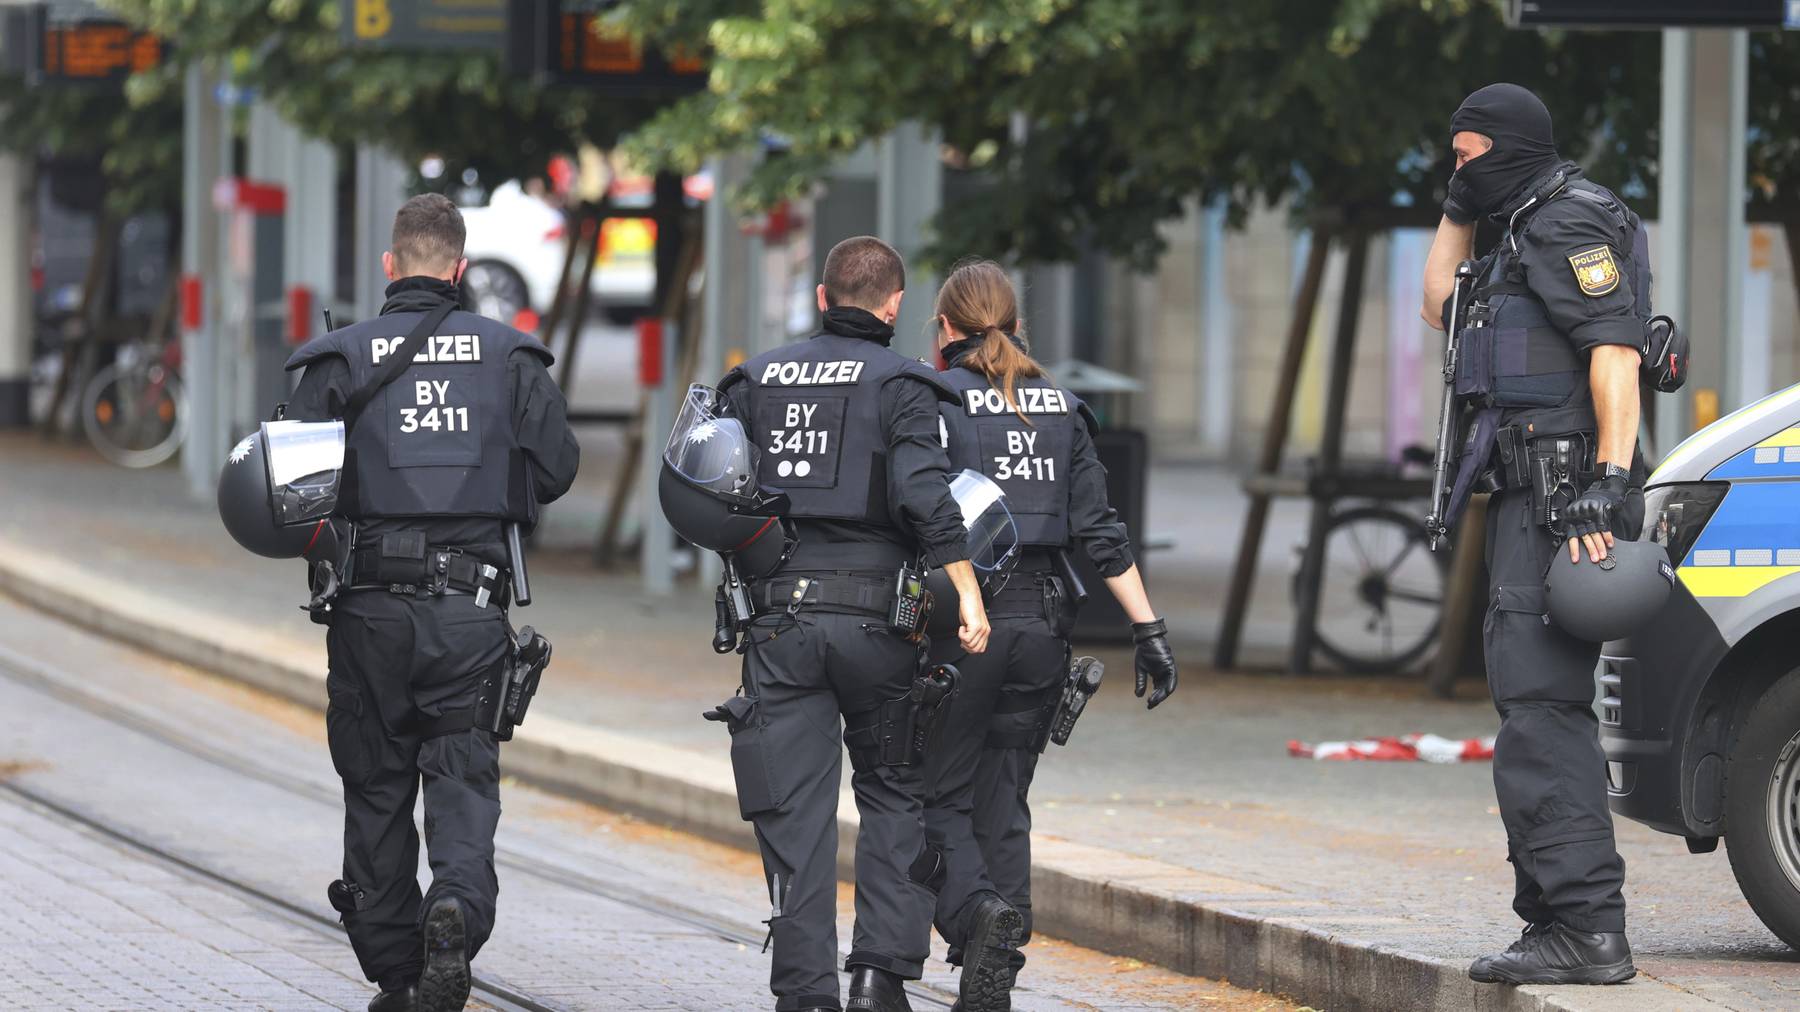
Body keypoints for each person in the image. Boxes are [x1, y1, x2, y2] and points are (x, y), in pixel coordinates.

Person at [284, 194, 580, 1012]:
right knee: (461, 777)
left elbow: (286, 488)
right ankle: (455, 906)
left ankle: (395, 970)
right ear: (459, 267)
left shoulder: (337, 359)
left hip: (369, 610)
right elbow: (557, 469)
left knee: (376, 786)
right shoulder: (511, 356)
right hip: (469, 611)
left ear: (390, 266)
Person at [711, 236, 992, 1012]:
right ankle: (877, 977)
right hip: (879, 625)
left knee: (793, 811)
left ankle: (804, 992)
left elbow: (715, 489)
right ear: (895, 305)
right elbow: (923, 495)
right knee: (896, 791)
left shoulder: (756, 378)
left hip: (779, 624)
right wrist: (966, 593)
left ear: (823, 297)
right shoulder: (904, 384)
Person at [1420, 83, 1645, 985]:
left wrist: (1611, 479)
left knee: (1543, 716)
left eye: (1468, 156)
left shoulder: (1563, 224)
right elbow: (1439, 304)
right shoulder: (1512, 224)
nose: (1458, 171)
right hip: (1533, 497)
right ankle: (1561, 917)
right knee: (1531, 708)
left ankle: (1585, 926)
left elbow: (1618, 350)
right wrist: (1454, 204)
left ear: (1512, 149)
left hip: (1566, 501)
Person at [922, 260, 1178, 1011]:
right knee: (1005, 796)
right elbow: (1103, 533)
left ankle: (978, 916)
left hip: (962, 624)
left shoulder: (937, 401)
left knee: (933, 792)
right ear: (1017, 325)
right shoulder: (1063, 409)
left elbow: (917, 514)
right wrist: (1149, 632)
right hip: (1043, 628)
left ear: (945, 329)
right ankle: (992, 969)